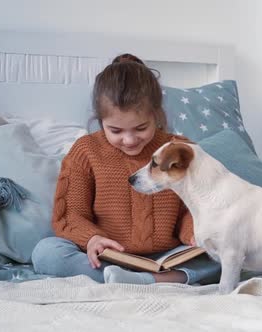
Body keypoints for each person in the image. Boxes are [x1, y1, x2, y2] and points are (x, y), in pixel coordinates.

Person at [32, 53, 221, 285]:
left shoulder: (179, 148)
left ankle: (141, 280)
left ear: (156, 114)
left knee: (226, 253)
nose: (130, 140)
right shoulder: (86, 150)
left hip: (169, 257)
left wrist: (194, 233)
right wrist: (92, 239)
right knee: (46, 252)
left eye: (140, 128)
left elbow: (194, 206)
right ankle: (149, 280)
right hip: (108, 257)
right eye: (116, 131)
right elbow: (71, 213)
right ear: (100, 120)